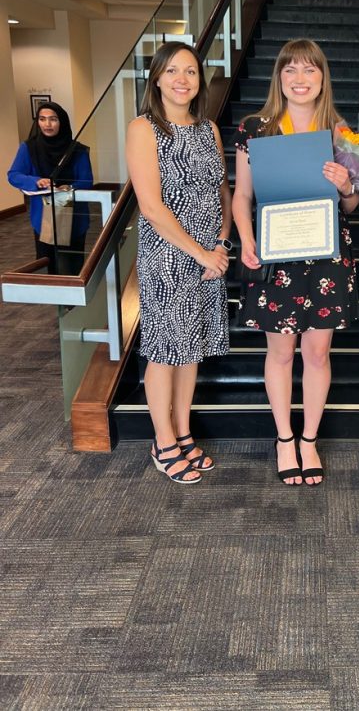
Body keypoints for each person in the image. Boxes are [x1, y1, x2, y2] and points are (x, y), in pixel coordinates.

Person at [232, 38, 359, 486]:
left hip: (325, 257)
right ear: (279, 77)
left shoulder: (342, 132)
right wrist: (246, 240)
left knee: (318, 352)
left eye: (309, 70)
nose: (300, 79)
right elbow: (242, 195)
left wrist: (347, 186)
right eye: (291, 70)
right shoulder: (256, 128)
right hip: (276, 255)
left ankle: (309, 439)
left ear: (323, 78)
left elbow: (351, 206)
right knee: (281, 351)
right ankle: (284, 439)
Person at [126, 42, 231, 484]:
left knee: (191, 352)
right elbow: (151, 207)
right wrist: (201, 252)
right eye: (172, 71)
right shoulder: (143, 128)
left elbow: (222, 191)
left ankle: (184, 433)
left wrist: (222, 244)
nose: (182, 80)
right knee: (166, 351)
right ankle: (163, 440)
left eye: (190, 71)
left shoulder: (208, 128)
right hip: (167, 258)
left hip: (210, 257)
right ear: (157, 78)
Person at [7, 102, 93, 275]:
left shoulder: (76, 150)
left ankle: (73, 301)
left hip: (74, 215)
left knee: (72, 266)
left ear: (62, 122)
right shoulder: (28, 148)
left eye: (53, 119)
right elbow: (14, 174)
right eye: (42, 119)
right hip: (43, 217)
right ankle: (55, 299)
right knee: (47, 262)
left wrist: (70, 187)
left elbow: (86, 180)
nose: (47, 124)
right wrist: (37, 181)